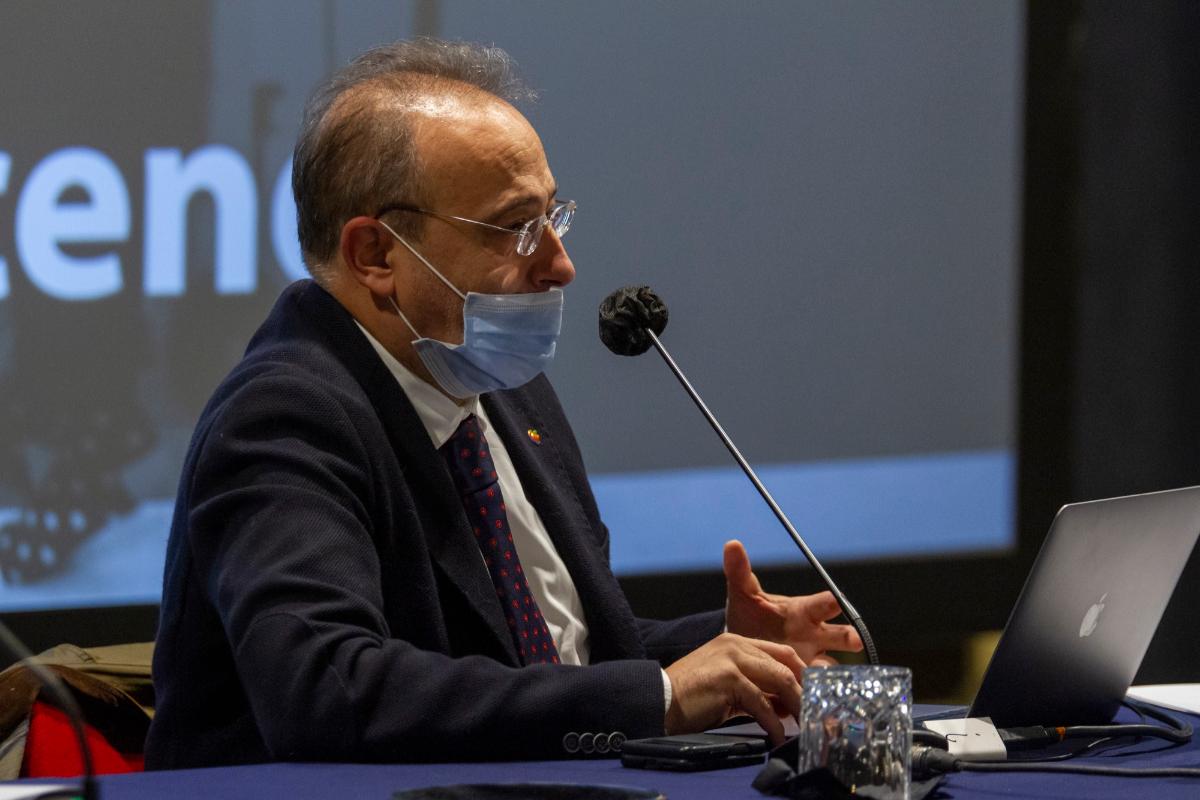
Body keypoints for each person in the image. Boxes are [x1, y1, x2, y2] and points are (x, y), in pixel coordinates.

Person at [146, 38, 861, 769]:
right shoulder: (284, 418)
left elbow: (549, 652)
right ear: (376, 255)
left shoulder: (506, 390)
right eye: (518, 227)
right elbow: (330, 691)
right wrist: (663, 695)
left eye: (555, 217)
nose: (560, 263)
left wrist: (722, 649)